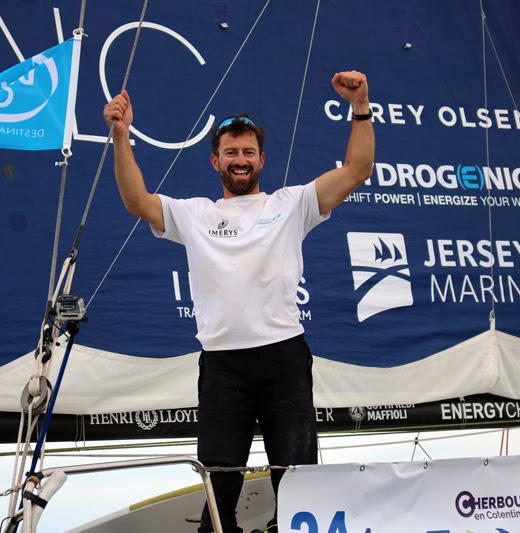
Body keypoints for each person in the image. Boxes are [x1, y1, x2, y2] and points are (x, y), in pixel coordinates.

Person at [103, 70, 375, 533]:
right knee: (219, 490)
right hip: (223, 366)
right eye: (231, 152)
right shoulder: (194, 214)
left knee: (298, 482)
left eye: (248, 152)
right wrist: (120, 137)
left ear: (261, 159)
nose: (240, 159)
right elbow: (136, 201)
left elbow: (357, 170)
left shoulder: (292, 203)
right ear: (216, 162)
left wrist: (361, 106)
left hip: (284, 359)